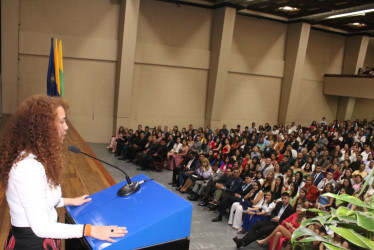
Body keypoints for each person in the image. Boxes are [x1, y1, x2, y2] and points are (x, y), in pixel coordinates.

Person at [0, 95, 127, 249]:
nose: (66, 127)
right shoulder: (28, 168)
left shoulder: (35, 156)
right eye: (62, 121)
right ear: (43, 127)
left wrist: (68, 201)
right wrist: (90, 230)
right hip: (33, 243)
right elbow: (41, 228)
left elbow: (38, 200)